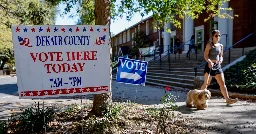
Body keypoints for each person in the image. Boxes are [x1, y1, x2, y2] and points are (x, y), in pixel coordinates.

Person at [200, 30, 238, 105]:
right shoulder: (209, 45)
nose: (218, 37)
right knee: (206, 84)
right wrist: (209, 61)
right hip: (209, 66)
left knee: (222, 83)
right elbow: (205, 56)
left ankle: (227, 99)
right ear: (212, 36)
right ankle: (199, 98)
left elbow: (221, 56)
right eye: (216, 36)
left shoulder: (221, 46)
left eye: (219, 35)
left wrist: (221, 60)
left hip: (218, 66)